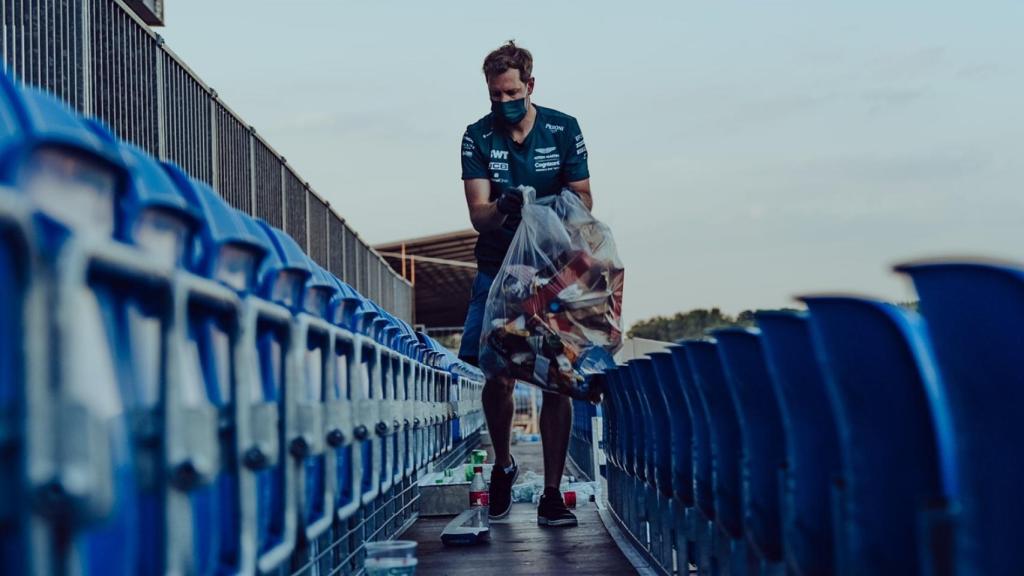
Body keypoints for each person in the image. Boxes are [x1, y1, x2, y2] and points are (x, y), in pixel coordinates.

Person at [458, 40, 592, 527]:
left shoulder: (563, 129)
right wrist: (506, 207)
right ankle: (503, 462)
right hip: (499, 267)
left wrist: (547, 213)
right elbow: (478, 215)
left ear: (530, 86)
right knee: (497, 371)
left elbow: (584, 200)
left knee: (558, 378)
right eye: (495, 95)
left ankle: (552, 493)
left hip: (554, 269)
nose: (502, 102)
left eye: (511, 92)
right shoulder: (477, 136)